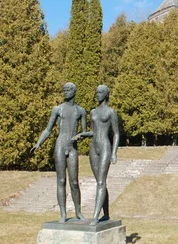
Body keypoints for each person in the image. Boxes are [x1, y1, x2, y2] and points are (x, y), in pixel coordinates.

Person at [31, 82, 87, 223]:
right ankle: (63, 213)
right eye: (64, 90)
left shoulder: (80, 111)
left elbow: (84, 131)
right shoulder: (58, 109)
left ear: (74, 91)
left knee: (74, 182)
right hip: (60, 146)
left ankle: (78, 211)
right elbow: (48, 129)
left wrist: (80, 136)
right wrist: (38, 143)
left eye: (68, 90)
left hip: (72, 147)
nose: (66, 92)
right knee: (61, 180)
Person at [73, 84, 120, 225]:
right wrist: (82, 134)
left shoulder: (111, 112)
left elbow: (116, 133)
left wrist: (114, 153)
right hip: (93, 147)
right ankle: (106, 214)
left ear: (106, 94)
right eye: (97, 92)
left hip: (105, 146)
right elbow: (94, 131)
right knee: (100, 181)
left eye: (101, 92)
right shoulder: (93, 112)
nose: (97, 94)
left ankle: (95, 216)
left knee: (101, 181)